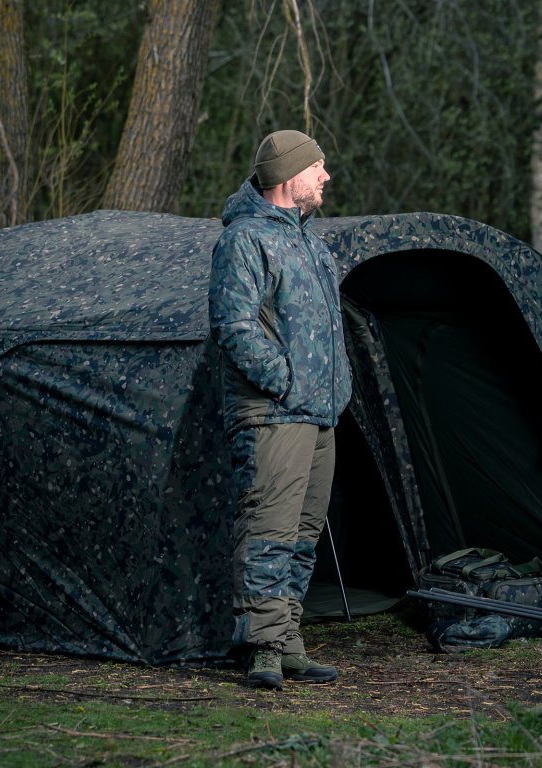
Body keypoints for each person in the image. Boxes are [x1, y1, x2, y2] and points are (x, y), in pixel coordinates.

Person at [208, 129, 353, 690]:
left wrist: (335, 390)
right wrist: (285, 383)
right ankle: (262, 648)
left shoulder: (313, 246)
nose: (326, 177)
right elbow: (234, 327)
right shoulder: (245, 240)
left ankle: (289, 642)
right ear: (291, 176)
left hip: (319, 414)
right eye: (318, 167)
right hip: (273, 414)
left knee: (303, 534)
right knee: (268, 528)